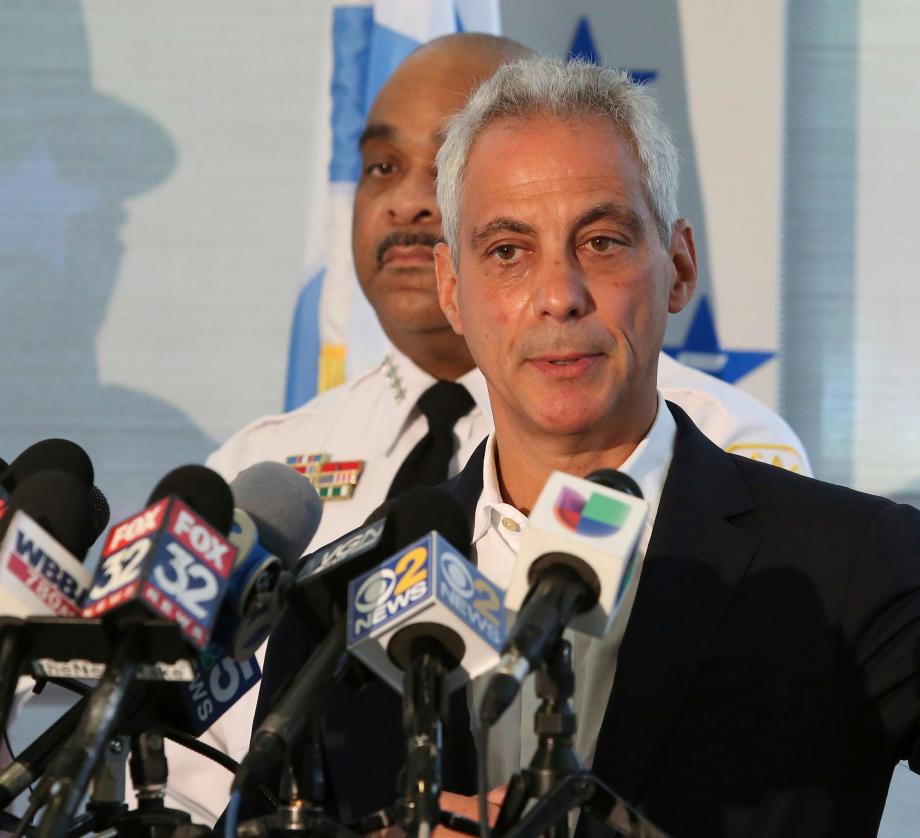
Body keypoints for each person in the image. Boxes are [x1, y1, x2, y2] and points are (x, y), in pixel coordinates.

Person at [246, 55, 920, 836]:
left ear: (676, 267)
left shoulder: (848, 559)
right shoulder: (349, 581)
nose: (559, 295)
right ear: (457, 292)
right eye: (509, 252)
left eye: (602, 240)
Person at [170, 34, 811, 823]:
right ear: (453, 279)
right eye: (381, 167)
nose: (407, 203)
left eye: (441, 166)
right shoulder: (263, 469)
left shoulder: (721, 444)